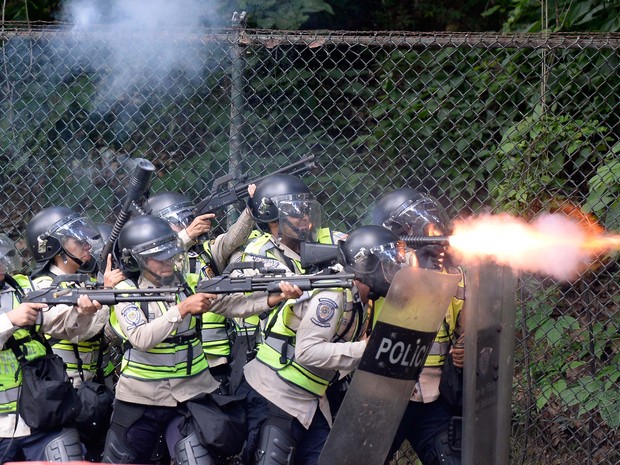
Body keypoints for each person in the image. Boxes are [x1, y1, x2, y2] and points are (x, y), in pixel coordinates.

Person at [244, 225, 411, 465]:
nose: (395, 271)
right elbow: (307, 352)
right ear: (366, 263)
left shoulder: (361, 297)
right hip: (276, 395)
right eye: (388, 263)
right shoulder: (333, 295)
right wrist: (366, 349)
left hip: (310, 400)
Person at [372, 187, 466, 465]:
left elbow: (468, 328)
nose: (436, 236)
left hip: (432, 395)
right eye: (424, 229)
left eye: (435, 225)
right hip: (383, 395)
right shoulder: (379, 275)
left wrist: (465, 345)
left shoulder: (453, 275)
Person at [25, 206, 119, 461]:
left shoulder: (82, 281)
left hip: (100, 385)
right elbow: (75, 331)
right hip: (66, 392)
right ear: (54, 248)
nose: (86, 244)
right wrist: (105, 298)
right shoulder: (42, 287)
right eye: (77, 240)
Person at [0, 230, 103, 462]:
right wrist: (9, 321)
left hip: (42, 414)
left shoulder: (20, 287)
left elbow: (62, 327)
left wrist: (81, 312)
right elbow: (12, 321)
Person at [143, 187, 257, 394]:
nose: (187, 225)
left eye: (188, 219)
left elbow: (233, 238)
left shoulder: (205, 252)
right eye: (178, 222)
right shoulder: (154, 264)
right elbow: (163, 258)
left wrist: (250, 209)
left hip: (216, 357)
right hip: (180, 357)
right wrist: (185, 236)